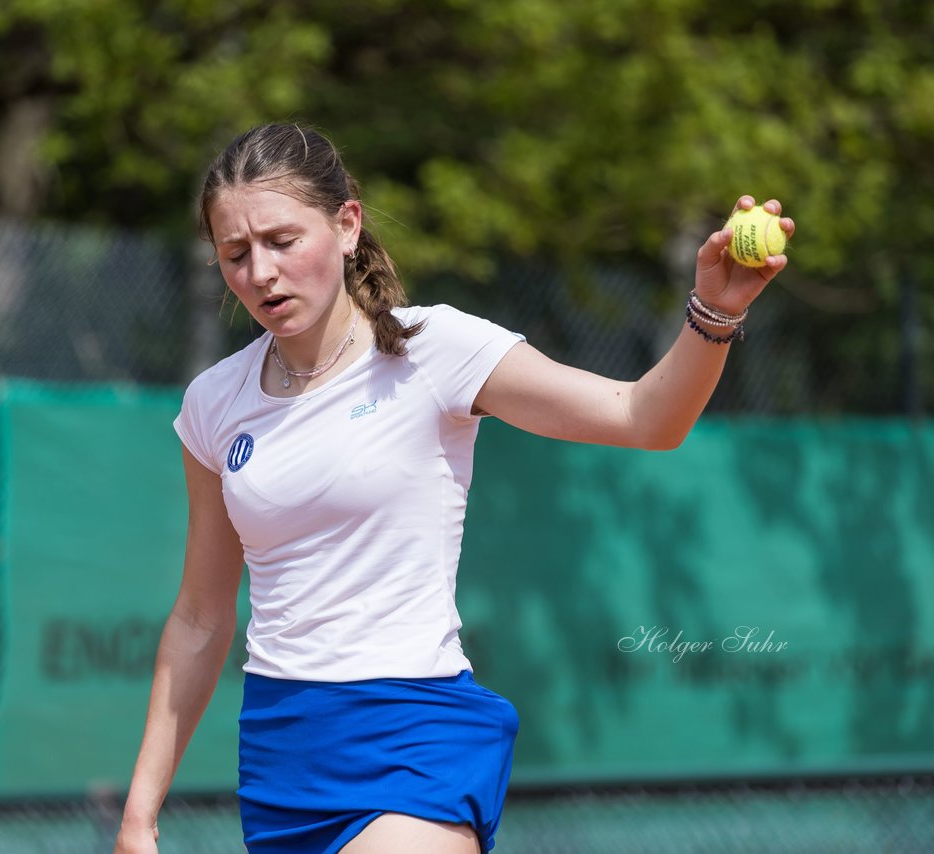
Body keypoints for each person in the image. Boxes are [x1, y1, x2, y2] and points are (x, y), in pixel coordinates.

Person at [114, 123, 793, 854]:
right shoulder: (215, 404)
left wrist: (716, 311)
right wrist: (139, 815)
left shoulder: (434, 349)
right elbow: (200, 618)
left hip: (416, 732)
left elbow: (644, 418)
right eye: (236, 254)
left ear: (347, 225)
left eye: (282, 241)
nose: (261, 272)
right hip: (284, 754)